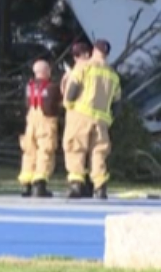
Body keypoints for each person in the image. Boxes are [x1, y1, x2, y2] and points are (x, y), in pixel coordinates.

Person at [63, 39, 121, 199]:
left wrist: (68, 104)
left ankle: (76, 184)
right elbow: (117, 102)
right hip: (102, 120)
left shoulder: (84, 66)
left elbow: (73, 88)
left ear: (94, 50)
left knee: (76, 148)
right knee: (99, 152)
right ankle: (100, 186)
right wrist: (110, 119)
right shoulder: (113, 74)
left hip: (81, 115)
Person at [18, 59, 62, 198]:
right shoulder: (52, 87)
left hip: (31, 122)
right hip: (46, 123)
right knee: (45, 151)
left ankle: (26, 184)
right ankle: (39, 184)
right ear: (45, 71)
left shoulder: (29, 87)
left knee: (29, 152)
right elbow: (60, 102)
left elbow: (27, 103)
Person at [60, 41, 95, 196]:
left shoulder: (78, 70)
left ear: (76, 56)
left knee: (75, 149)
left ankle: (76, 184)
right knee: (95, 151)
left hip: (78, 117)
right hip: (98, 117)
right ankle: (93, 185)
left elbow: (69, 94)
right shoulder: (102, 70)